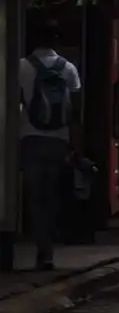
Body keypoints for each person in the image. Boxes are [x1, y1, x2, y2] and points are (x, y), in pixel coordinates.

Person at [19, 19, 81, 270]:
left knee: (35, 197)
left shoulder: (21, 67)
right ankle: (48, 252)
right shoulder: (68, 68)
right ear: (56, 40)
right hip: (59, 140)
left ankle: (40, 246)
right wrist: (75, 145)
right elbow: (75, 111)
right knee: (53, 195)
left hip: (29, 138)